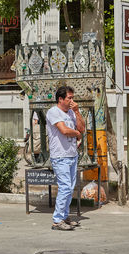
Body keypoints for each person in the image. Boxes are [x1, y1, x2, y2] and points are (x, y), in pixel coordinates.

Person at [46, 86, 85, 231]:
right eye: (69, 98)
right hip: (60, 156)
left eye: (72, 98)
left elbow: (82, 128)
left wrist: (76, 111)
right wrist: (77, 134)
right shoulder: (53, 112)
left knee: (70, 188)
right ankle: (57, 220)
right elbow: (64, 130)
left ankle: (64, 216)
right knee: (65, 187)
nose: (71, 101)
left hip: (72, 155)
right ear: (60, 99)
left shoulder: (71, 112)